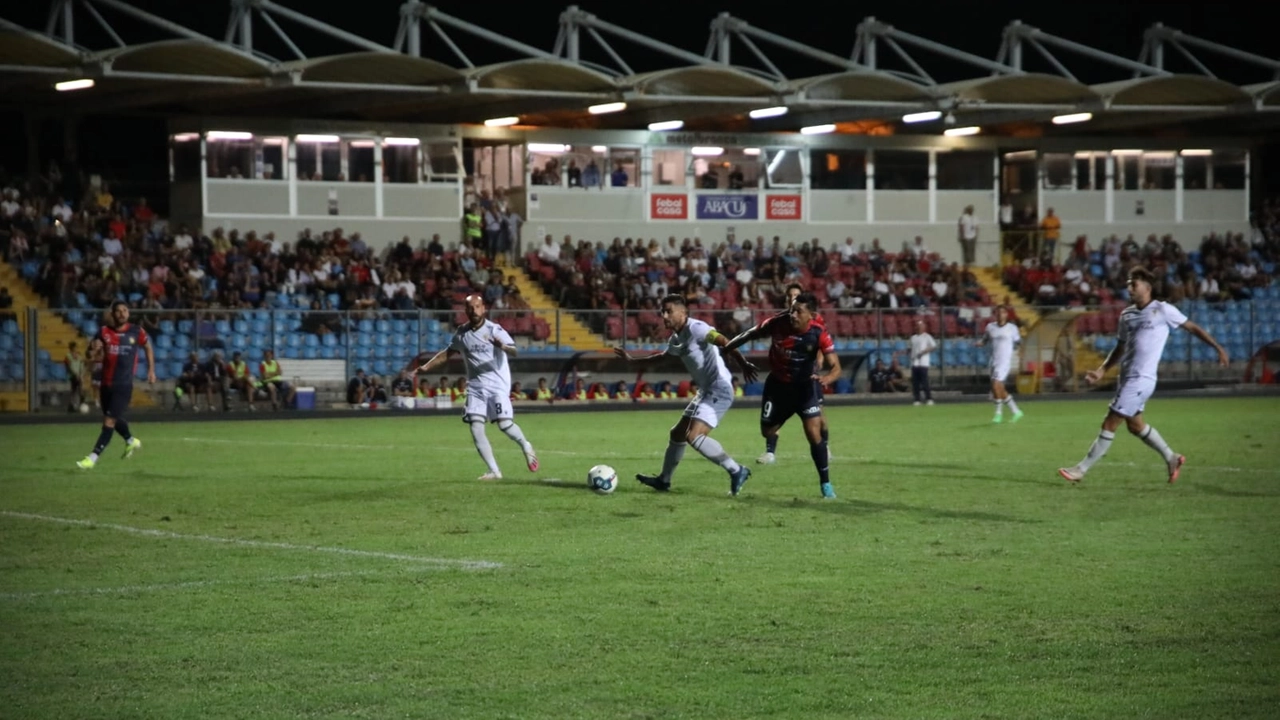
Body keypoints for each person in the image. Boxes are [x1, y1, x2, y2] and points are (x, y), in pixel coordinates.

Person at [1058, 267, 1228, 483]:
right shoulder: (1126, 315)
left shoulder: (1163, 309)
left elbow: (1192, 327)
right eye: (1129, 283)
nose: (1129, 288)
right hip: (1127, 377)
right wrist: (1102, 370)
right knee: (1135, 425)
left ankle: (1080, 470)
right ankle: (1171, 457)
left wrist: (1218, 348)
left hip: (1142, 379)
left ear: (1147, 288)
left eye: (1134, 284)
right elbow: (1120, 347)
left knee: (1110, 422)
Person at [613, 293, 758, 495]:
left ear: (683, 312)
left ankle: (736, 470)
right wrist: (631, 360)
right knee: (677, 434)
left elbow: (724, 341)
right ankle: (664, 480)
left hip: (719, 388)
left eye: (669, 311)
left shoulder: (697, 329)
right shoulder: (676, 338)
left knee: (694, 436)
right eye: (662, 311)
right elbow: (660, 358)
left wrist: (743, 363)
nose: (664, 315)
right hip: (705, 390)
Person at [725, 292, 841, 498]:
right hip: (777, 387)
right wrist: (726, 348)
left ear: (811, 315)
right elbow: (750, 333)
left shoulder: (818, 333)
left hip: (804, 389)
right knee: (767, 431)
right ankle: (780, 424)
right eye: (792, 309)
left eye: (798, 311)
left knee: (814, 434)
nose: (793, 314)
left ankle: (826, 485)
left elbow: (836, 367)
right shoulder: (777, 323)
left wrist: (828, 378)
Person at [413, 294, 539, 480]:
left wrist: (502, 346)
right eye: (470, 308)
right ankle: (494, 472)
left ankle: (525, 445)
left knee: (504, 425)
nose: (474, 311)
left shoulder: (494, 329)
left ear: (484, 308)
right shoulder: (462, 333)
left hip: (497, 385)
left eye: (477, 307)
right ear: (466, 310)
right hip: (476, 386)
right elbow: (447, 353)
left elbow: (515, 351)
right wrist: (426, 366)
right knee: (475, 428)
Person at [76, 301, 154, 469]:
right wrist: (92, 348)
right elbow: (89, 354)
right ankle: (130, 440)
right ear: (113, 314)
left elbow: (148, 347)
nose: (122, 313)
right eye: (118, 311)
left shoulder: (136, 331)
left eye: (125, 310)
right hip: (106, 384)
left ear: (128, 313)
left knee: (109, 421)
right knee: (113, 418)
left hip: (123, 385)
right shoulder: (103, 332)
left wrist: (151, 371)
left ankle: (92, 458)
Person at [979, 305, 1024, 423]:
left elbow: (1019, 341)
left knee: (995, 385)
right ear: (995, 315)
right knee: (999, 389)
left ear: (1006, 315)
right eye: (998, 313)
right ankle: (1016, 411)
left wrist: (1021, 352)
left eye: (1002, 313)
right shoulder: (990, 327)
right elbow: (985, 339)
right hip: (993, 361)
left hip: (1004, 362)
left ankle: (998, 414)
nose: (1000, 315)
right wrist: (980, 343)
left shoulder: (1012, 328)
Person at [908, 319, 936, 406]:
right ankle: (917, 399)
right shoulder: (913, 338)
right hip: (915, 362)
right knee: (915, 382)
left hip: (923, 362)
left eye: (920, 326)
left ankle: (929, 398)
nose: (918, 327)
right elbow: (909, 348)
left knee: (924, 381)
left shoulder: (927, 336)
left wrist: (924, 352)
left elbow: (933, 346)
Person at [64, 341, 86, 411]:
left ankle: (81, 403)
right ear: (71, 348)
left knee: (80, 389)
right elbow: (69, 366)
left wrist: (81, 374)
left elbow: (82, 365)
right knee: (73, 390)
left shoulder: (79, 356)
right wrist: (75, 374)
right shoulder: (68, 356)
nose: (75, 349)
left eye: (76, 348)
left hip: (79, 375)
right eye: (74, 348)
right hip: (72, 376)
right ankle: (71, 405)